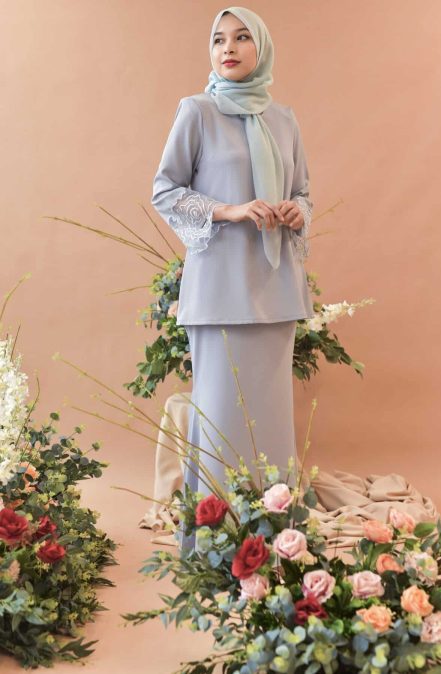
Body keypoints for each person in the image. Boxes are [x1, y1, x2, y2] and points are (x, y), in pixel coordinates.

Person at [151, 6, 315, 551]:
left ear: (260, 48)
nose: (229, 48)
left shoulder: (284, 119)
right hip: (220, 292)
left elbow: (303, 193)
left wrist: (295, 211)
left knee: (271, 426)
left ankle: (275, 544)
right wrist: (230, 210)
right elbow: (166, 191)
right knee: (220, 421)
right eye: (219, 39)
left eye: (242, 37)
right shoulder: (197, 111)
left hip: (275, 291)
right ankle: (215, 548)